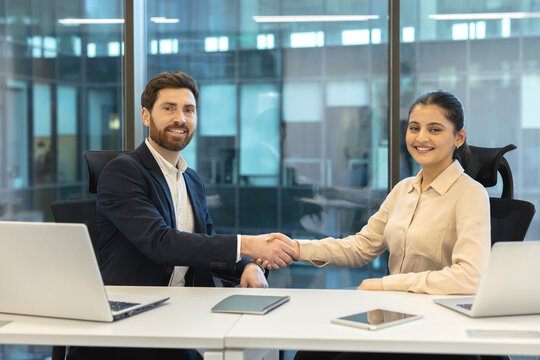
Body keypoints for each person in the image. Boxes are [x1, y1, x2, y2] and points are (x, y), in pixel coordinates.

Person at [67, 71, 297, 360]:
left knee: (262, 344)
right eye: (169, 108)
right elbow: (160, 243)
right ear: (146, 116)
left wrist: (247, 267)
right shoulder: (123, 172)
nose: (181, 119)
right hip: (133, 321)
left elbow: (205, 243)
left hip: (185, 314)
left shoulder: (191, 180)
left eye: (189, 110)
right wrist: (248, 244)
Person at [267, 90, 491, 360]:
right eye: (414, 128)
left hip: (438, 326)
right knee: (309, 354)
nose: (421, 138)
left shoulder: (470, 193)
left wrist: (388, 284)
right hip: (395, 315)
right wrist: (296, 248)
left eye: (435, 129)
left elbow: (470, 277)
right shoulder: (402, 190)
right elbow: (361, 247)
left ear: (459, 137)